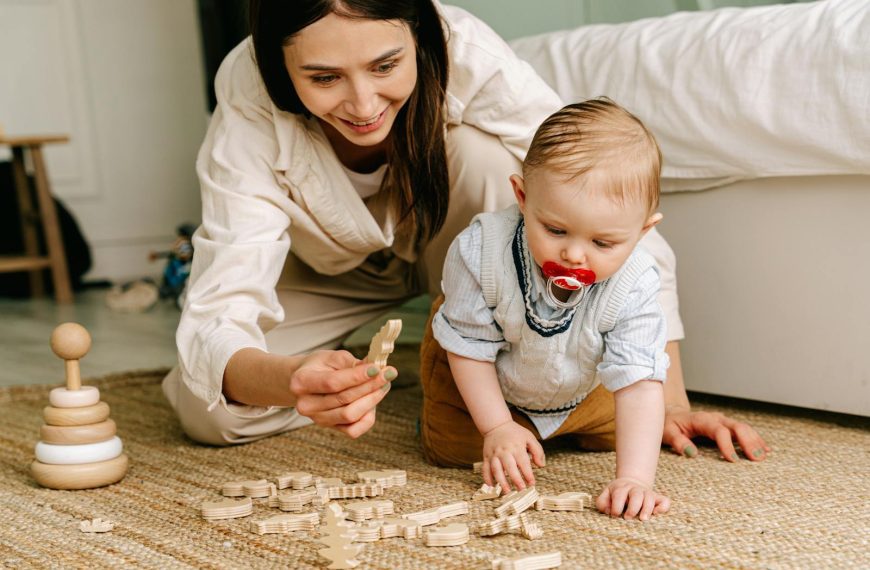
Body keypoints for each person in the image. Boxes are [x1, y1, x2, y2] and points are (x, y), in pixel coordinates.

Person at [161, 0, 769, 468]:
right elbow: (219, 313)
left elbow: (606, 208)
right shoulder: (248, 100)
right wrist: (292, 380)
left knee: (485, 156)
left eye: (385, 66)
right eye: (324, 78)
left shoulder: (467, 52)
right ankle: (439, 369)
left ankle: (496, 377)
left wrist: (673, 403)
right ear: (278, 67)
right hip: (325, 271)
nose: (363, 103)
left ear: (419, 40)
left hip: (465, 250)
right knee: (213, 415)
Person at [423, 99, 674, 520]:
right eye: (555, 230)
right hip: (479, 370)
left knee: (629, 428)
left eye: (603, 243)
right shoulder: (479, 250)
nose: (575, 254)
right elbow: (468, 346)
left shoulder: (638, 281)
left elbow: (638, 379)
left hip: (579, 385)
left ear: (643, 230)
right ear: (522, 196)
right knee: (451, 449)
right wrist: (498, 428)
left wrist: (636, 478)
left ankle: (558, 430)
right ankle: (497, 424)